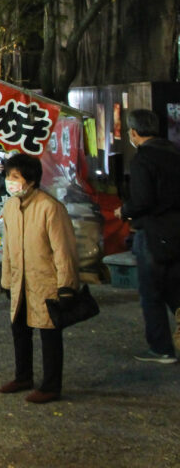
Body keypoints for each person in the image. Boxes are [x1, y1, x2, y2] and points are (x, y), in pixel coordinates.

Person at [0, 153, 80, 404]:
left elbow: (64, 250)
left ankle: (51, 386)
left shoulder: (50, 207)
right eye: (8, 176)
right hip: (19, 280)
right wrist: (6, 281)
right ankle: (23, 376)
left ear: (31, 180)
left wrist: (66, 286)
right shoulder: (10, 206)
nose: (10, 181)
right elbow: (8, 248)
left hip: (46, 281)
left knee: (49, 334)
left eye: (15, 176)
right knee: (19, 329)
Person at [122, 109, 180, 364]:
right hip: (176, 230)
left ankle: (161, 348)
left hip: (154, 232)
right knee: (173, 287)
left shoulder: (143, 159)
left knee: (151, 292)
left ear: (134, 132)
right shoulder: (174, 153)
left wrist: (124, 210)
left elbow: (142, 200)